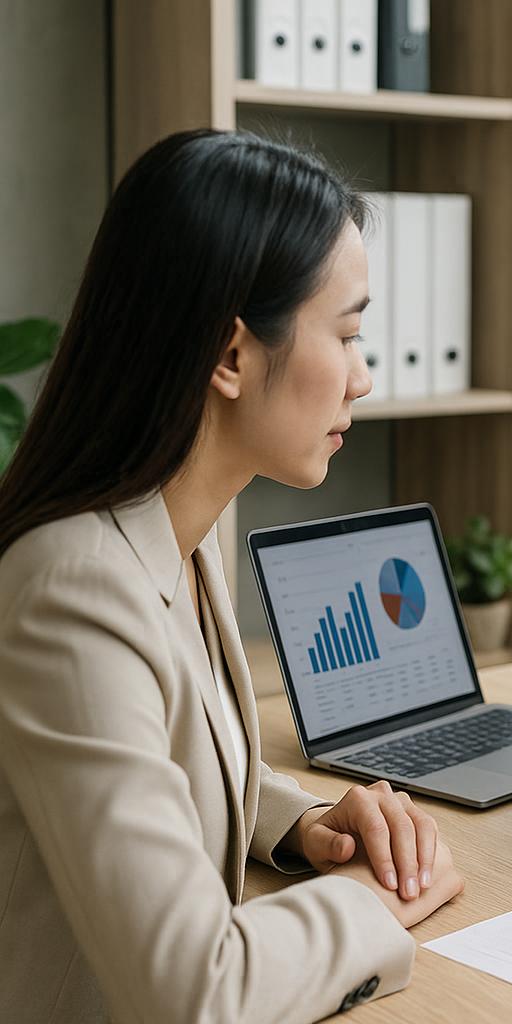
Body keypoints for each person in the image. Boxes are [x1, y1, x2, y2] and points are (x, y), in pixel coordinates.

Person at [0, 129, 465, 1022]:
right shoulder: (70, 590)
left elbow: (149, 748)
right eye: (349, 334)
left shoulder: (187, 526)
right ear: (229, 355)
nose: (363, 379)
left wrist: (295, 820)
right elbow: (196, 993)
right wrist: (376, 902)